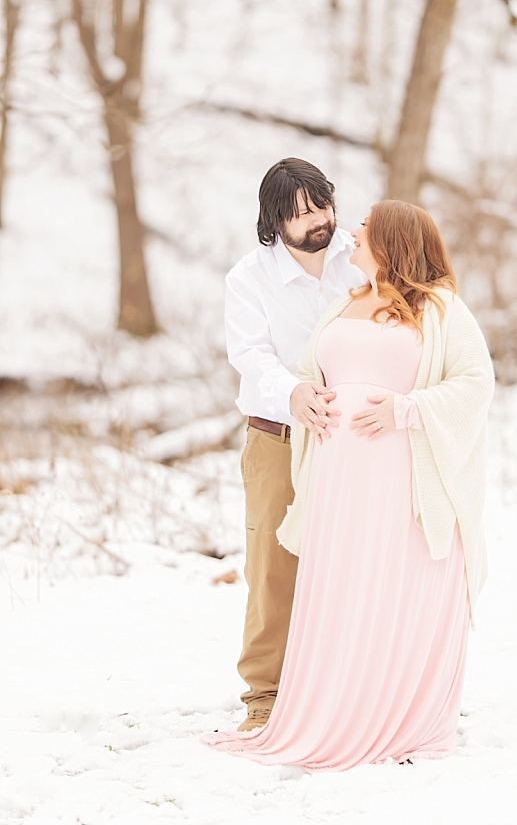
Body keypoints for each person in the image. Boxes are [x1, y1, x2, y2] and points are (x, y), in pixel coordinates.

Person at [207, 199, 494, 771]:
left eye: (362, 228)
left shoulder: (438, 308)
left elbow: (475, 384)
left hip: (400, 476)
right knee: (340, 585)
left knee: (393, 582)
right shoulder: (345, 301)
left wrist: (406, 411)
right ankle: (323, 701)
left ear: (391, 241)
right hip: (338, 480)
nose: (349, 233)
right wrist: (303, 394)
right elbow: (309, 367)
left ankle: (395, 710)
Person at [221, 158, 368, 731]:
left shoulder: (358, 257)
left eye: (321, 206)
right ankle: (266, 694)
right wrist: (294, 392)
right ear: (274, 222)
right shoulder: (248, 278)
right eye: (299, 214)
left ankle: (344, 686)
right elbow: (251, 357)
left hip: (351, 440)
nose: (316, 222)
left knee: (351, 562)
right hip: (278, 437)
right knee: (274, 566)